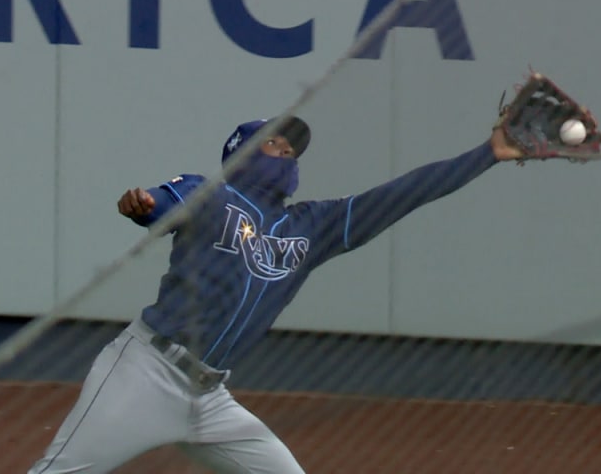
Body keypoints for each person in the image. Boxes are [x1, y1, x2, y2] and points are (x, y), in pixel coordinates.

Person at [29, 115, 528, 473]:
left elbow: (405, 194)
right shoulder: (213, 194)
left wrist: (489, 153)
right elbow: (158, 204)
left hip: (208, 397)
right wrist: (140, 205)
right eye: (275, 143)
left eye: (293, 149)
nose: (288, 150)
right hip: (145, 374)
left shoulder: (310, 226)